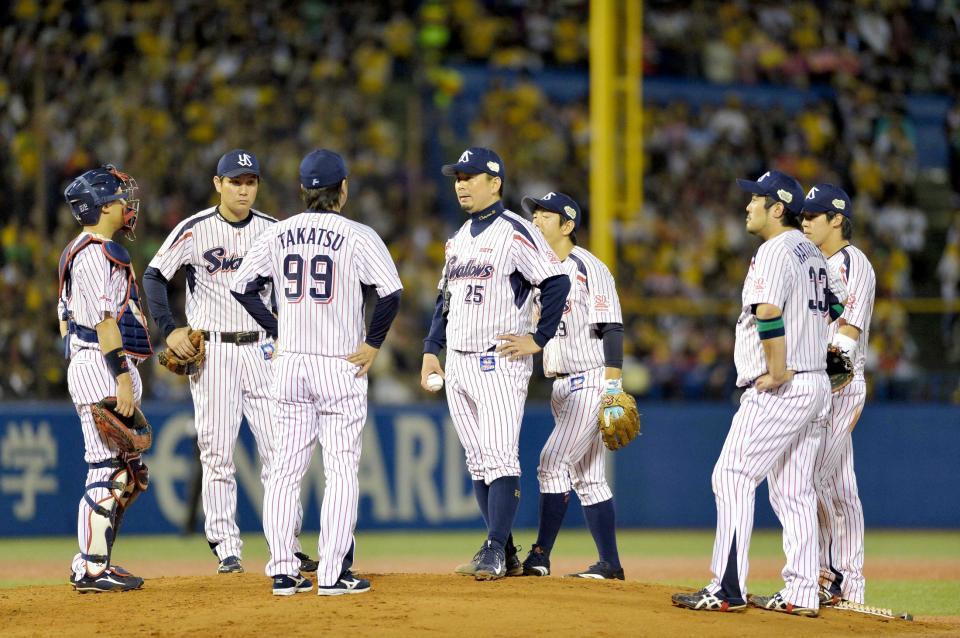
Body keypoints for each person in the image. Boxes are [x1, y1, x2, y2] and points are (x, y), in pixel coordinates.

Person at [671, 169, 847, 617]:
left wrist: (777, 368)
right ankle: (803, 592)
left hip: (782, 386)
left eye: (756, 200)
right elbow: (838, 307)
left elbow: (768, 311)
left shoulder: (773, 250)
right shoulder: (812, 252)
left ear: (777, 208)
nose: (747, 205)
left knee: (731, 475)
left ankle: (727, 587)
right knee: (794, 492)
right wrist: (807, 349)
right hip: (816, 386)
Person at [230, 149, 402, 596]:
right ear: (342, 189)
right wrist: (373, 343)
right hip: (339, 363)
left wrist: (278, 327)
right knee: (341, 470)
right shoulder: (358, 235)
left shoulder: (277, 233)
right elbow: (390, 294)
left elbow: (242, 287)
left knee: (285, 470)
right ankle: (332, 574)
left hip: (288, 364)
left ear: (303, 191)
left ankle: (283, 571)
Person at [143, 150, 316, 575]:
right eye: (235, 181)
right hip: (214, 349)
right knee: (216, 451)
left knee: (280, 452)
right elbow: (154, 276)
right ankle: (226, 548)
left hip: (265, 349)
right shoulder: (195, 229)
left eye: (250, 181)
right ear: (217, 183)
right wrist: (169, 328)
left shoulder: (276, 230)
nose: (243, 188)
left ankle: (287, 546)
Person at [421, 147, 571, 581]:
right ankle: (502, 546)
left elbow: (557, 281)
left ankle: (492, 548)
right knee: (478, 460)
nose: (461, 183)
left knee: (501, 457)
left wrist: (539, 338)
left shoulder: (517, 231)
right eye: (457, 176)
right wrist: (432, 348)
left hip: (499, 360)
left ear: (495, 183)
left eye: (470, 176)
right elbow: (443, 300)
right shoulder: (459, 237)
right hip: (460, 362)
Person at [520, 191, 626, 580]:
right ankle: (610, 564)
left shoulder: (588, 267)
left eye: (544, 215)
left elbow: (612, 327)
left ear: (567, 225)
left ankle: (540, 555)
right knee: (589, 477)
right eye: (533, 213)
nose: (535, 220)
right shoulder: (538, 270)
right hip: (562, 386)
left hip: (592, 379)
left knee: (551, 463)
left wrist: (612, 387)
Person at [59, 165, 152, 592]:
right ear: (102, 206)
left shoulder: (78, 250)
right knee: (107, 469)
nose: (125, 203)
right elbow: (103, 322)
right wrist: (121, 378)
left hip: (90, 359)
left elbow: (63, 321)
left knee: (128, 473)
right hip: (100, 362)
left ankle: (96, 562)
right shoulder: (95, 251)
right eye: (118, 196)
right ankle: (91, 567)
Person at [800, 184, 876, 607]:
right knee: (840, 488)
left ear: (837, 220)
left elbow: (849, 328)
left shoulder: (852, 263)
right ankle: (848, 586)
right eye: (804, 214)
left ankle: (829, 577)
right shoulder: (815, 262)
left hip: (840, 386)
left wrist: (830, 364)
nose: (806, 220)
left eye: (815, 214)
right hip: (816, 387)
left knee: (810, 481)